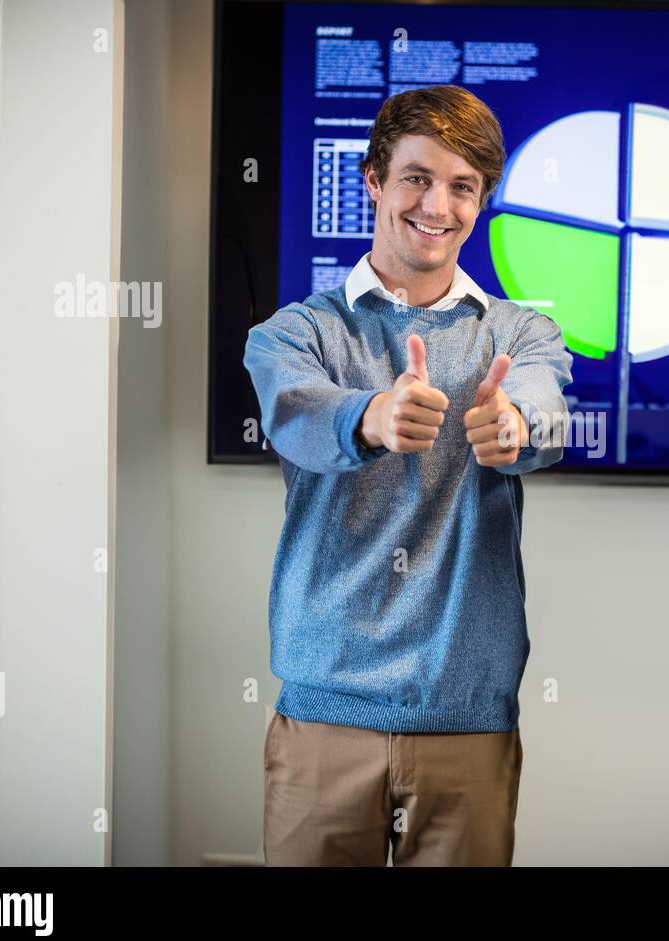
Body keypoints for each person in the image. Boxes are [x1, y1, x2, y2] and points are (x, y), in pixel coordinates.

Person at [243, 84, 573, 866]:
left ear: (483, 201)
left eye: (463, 186)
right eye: (417, 178)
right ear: (374, 183)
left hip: (468, 717)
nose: (439, 204)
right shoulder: (293, 333)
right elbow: (298, 412)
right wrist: (370, 417)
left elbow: (543, 406)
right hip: (325, 713)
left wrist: (515, 427)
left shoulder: (520, 331)